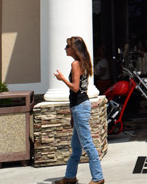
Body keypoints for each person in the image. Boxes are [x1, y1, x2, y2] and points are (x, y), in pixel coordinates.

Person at [54, 36, 105, 184]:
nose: (65, 49)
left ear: (74, 49)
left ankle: (98, 177)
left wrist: (63, 79)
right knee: (76, 146)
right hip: (79, 106)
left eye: (67, 46)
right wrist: (73, 115)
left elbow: (76, 88)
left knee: (87, 144)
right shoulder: (83, 63)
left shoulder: (76, 64)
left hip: (80, 106)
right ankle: (70, 177)